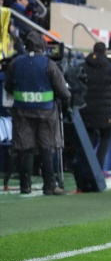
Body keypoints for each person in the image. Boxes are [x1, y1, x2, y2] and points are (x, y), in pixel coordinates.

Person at [4, 31, 71, 195]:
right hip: (46, 113)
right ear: (42, 45)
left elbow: (8, 87)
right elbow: (64, 92)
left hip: (22, 112)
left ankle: (25, 185)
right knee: (46, 147)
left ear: (26, 45)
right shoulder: (49, 64)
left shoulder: (15, 63)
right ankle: (50, 185)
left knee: (25, 148)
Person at [81, 42, 111, 169]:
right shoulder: (108, 66)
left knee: (89, 137)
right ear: (105, 52)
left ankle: (87, 167)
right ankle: (98, 167)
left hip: (87, 109)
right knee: (106, 135)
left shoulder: (84, 65)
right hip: (104, 111)